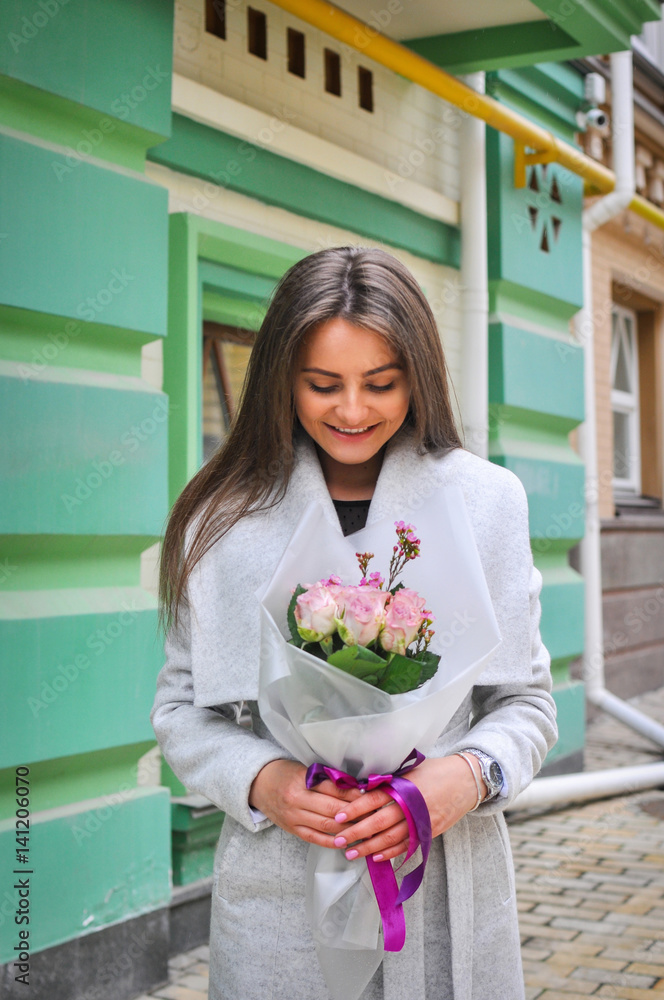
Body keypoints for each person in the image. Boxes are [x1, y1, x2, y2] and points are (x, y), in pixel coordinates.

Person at [151, 245, 558, 1000]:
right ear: (280, 378)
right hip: (279, 892)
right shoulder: (221, 517)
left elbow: (528, 707)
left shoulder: (487, 502)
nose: (351, 410)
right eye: (321, 384)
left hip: (443, 886)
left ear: (420, 377)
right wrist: (265, 780)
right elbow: (179, 712)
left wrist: (461, 779)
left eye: (380, 383)